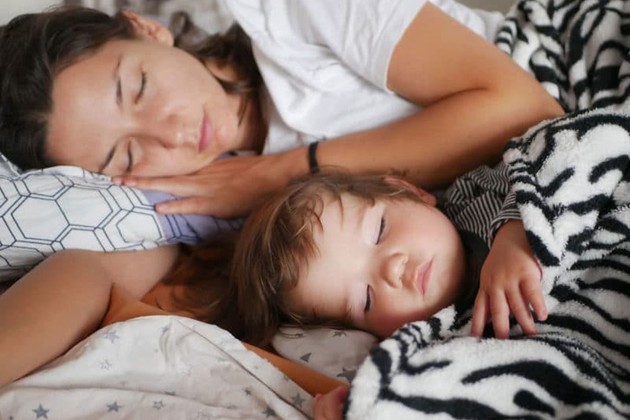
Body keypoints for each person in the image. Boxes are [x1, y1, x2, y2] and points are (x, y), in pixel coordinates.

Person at [0, 0, 562, 388]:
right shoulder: (209, 193)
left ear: (146, 28)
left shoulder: (295, 15)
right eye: (125, 155)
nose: (170, 135)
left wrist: (284, 170)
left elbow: (525, 108)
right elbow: (90, 274)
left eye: (139, 89)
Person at [230, 170, 548, 346]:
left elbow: (550, 156)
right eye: (366, 300)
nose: (393, 270)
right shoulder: (432, 346)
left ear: (407, 191)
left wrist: (516, 234)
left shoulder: (476, 193)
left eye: (379, 230)